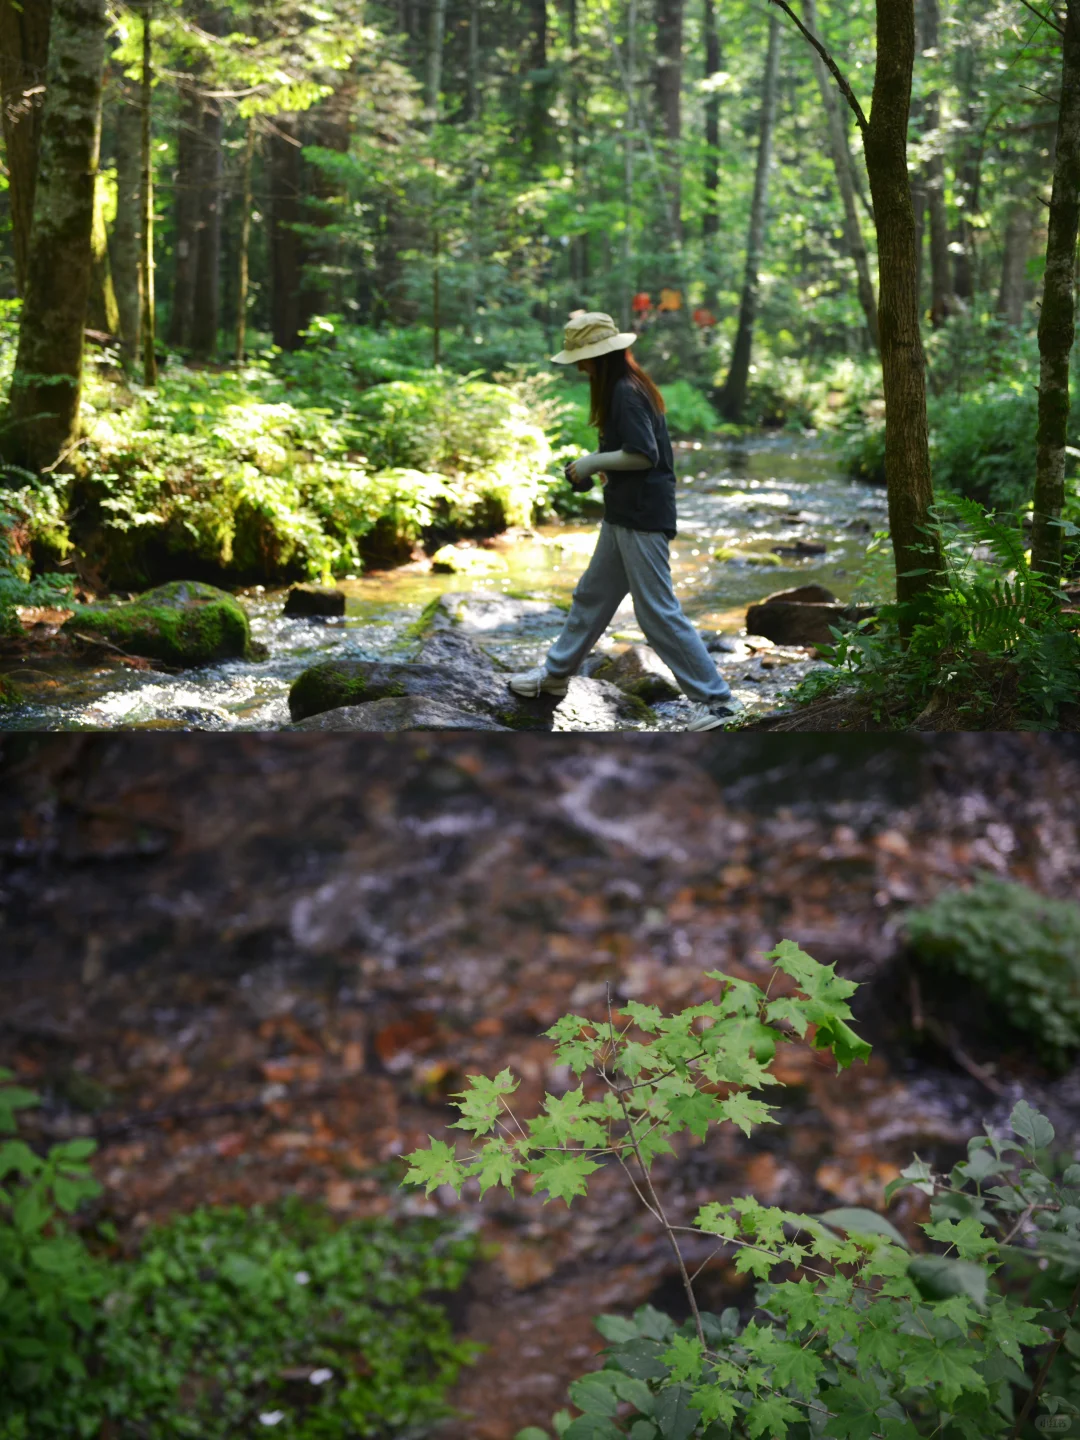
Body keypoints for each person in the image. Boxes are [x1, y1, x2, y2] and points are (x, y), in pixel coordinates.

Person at [508, 312, 738, 732]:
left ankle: (718, 702)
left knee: (657, 613)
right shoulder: (621, 387)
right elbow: (631, 456)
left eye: (583, 358)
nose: (579, 366)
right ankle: (555, 677)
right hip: (624, 513)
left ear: (601, 356)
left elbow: (643, 454)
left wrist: (593, 462)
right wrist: (594, 467)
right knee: (591, 595)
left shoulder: (626, 392)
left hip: (642, 516)